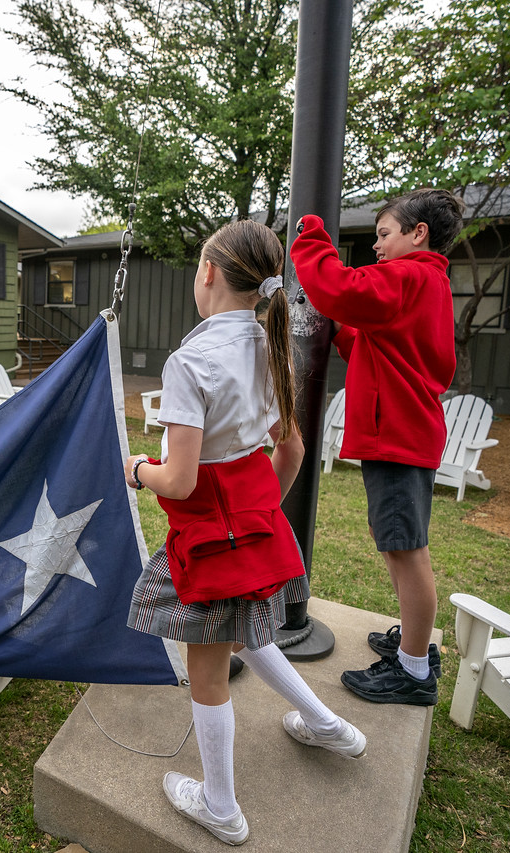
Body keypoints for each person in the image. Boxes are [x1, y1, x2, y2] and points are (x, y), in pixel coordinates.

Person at [126, 220, 366, 846]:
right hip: (255, 533)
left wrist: (136, 468)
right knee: (247, 630)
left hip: (208, 540)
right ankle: (329, 726)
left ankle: (221, 807)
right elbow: (292, 450)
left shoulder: (190, 361)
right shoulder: (271, 346)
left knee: (208, 670)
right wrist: (260, 517)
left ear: (208, 272)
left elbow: (179, 481)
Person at [289, 187, 464, 707]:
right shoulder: (428, 282)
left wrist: (312, 238)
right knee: (394, 539)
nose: (377, 246)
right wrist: (341, 334)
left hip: (399, 438)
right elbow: (383, 346)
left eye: (384, 234)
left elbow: (337, 288)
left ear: (418, 233)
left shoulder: (408, 275)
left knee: (406, 550)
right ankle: (413, 643)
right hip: (403, 434)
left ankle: (413, 670)